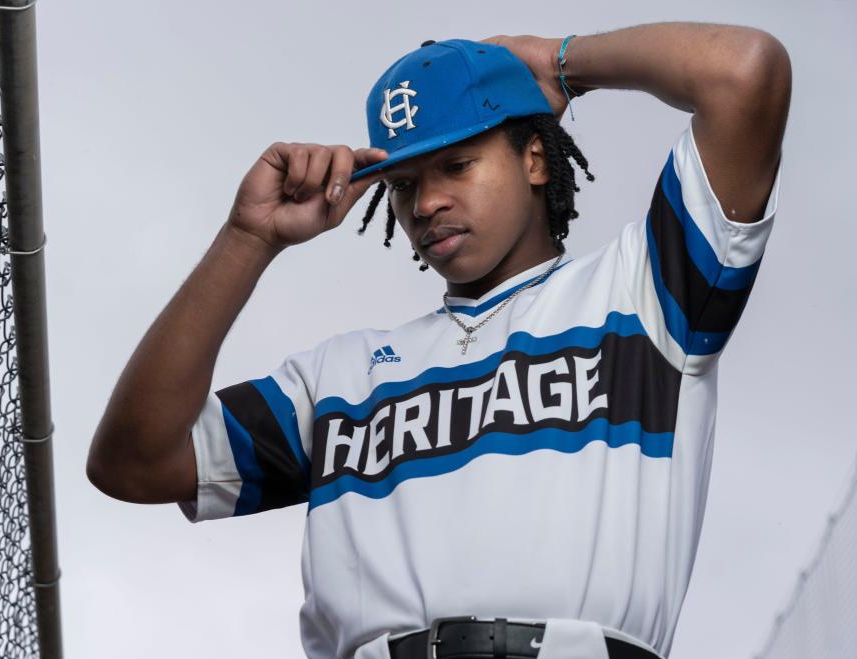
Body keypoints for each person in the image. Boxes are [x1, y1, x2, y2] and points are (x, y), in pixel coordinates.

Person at [86, 21, 791, 659]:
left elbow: (745, 72)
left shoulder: (645, 296)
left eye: (457, 165)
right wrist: (249, 238)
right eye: (404, 183)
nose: (425, 204)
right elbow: (134, 462)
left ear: (536, 159)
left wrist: (560, 62)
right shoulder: (341, 376)